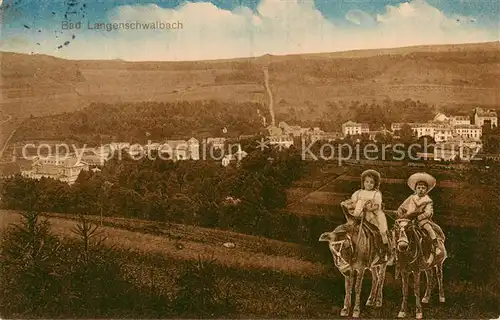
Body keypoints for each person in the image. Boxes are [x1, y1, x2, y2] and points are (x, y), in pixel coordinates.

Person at [341, 169, 389, 263]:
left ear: (375, 184)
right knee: (351, 228)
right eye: (366, 181)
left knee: (379, 232)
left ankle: (383, 251)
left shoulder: (376, 194)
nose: (369, 184)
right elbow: (353, 203)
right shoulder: (358, 192)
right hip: (359, 214)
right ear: (363, 182)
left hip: (373, 215)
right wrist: (349, 205)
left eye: (371, 182)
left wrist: (367, 208)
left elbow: (376, 206)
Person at [397, 172, 441, 255]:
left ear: (426, 190)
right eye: (419, 187)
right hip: (408, 218)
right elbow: (402, 207)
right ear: (415, 189)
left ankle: (436, 246)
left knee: (429, 229)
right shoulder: (411, 198)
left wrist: (419, 217)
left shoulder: (428, 201)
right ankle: (395, 248)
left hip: (421, 220)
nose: (421, 189)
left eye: (423, 188)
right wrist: (401, 214)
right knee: (399, 228)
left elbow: (428, 212)